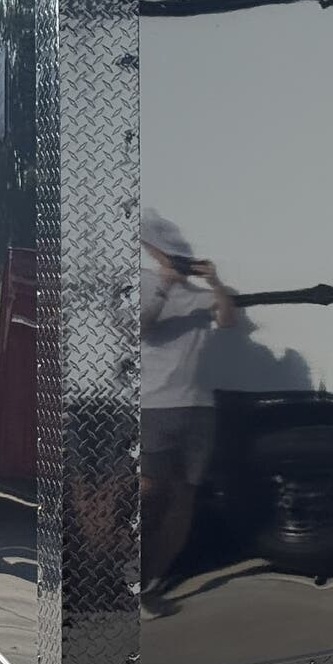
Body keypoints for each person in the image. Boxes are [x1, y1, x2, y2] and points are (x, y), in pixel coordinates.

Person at [139, 209, 239, 610]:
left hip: (200, 408)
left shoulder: (202, 295)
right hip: (155, 405)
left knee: (184, 499)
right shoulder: (144, 284)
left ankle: (151, 587)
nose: (176, 262)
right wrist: (165, 285)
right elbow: (140, 327)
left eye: (181, 258)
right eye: (168, 256)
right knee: (147, 495)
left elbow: (229, 322)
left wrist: (213, 281)